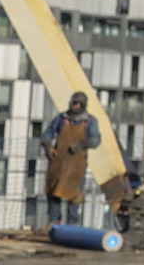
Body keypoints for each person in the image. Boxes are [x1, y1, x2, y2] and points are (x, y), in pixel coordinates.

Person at [42, 91, 102, 220]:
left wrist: (81, 145)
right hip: (58, 162)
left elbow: (95, 140)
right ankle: (54, 221)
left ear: (84, 105)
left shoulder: (90, 121)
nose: (76, 106)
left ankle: (71, 224)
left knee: (75, 194)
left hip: (77, 165)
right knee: (54, 193)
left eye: (79, 104)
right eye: (74, 103)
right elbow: (47, 134)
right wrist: (48, 147)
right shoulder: (61, 118)